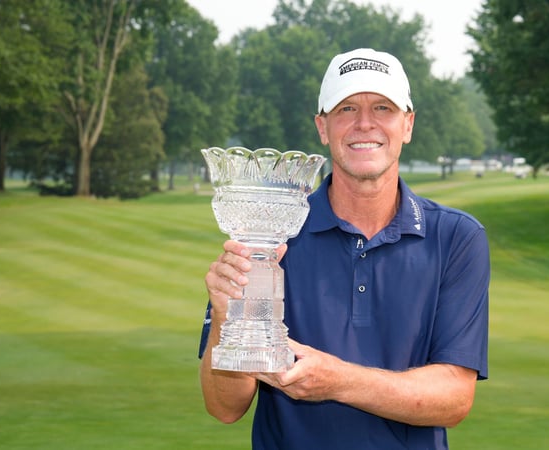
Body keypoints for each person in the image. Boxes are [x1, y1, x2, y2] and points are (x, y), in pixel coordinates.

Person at [199, 48, 490, 449]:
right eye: (347, 108)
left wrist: (338, 381)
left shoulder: (456, 237)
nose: (365, 124)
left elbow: (454, 398)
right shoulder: (270, 232)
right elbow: (224, 407)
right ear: (323, 127)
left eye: (383, 108)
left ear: (407, 124)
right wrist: (224, 318)